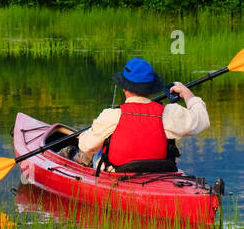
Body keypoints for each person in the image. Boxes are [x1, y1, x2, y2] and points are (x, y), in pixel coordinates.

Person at [76, 56, 209, 170]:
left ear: (124, 88)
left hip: (118, 174)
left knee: (95, 151)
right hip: (158, 173)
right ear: (150, 88)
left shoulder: (111, 115)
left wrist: (86, 134)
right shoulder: (168, 113)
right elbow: (202, 120)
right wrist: (186, 93)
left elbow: (86, 146)